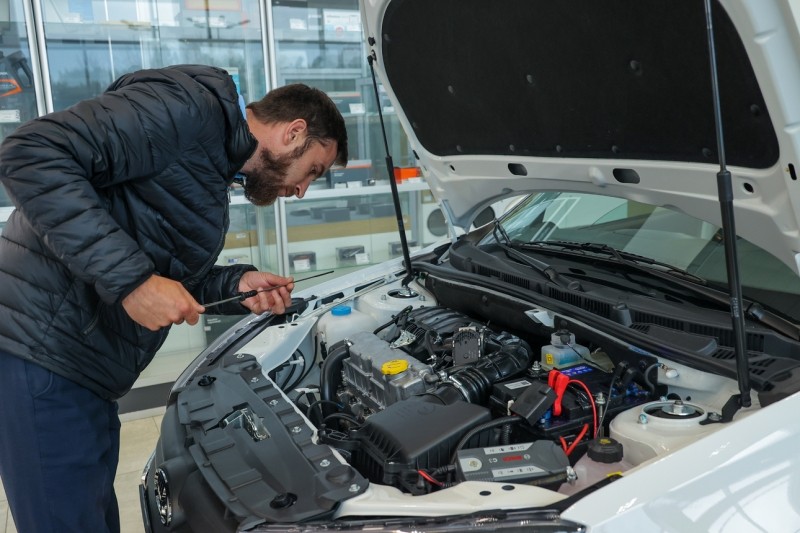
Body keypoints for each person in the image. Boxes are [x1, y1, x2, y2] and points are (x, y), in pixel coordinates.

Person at [0, 64, 348, 532]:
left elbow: (156, 256)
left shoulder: (212, 166)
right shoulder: (187, 109)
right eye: (314, 171)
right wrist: (134, 282)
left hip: (86, 370)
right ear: (294, 132)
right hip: (44, 354)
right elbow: (29, 153)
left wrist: (235, 284)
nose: (303, 190)